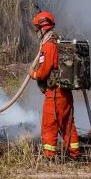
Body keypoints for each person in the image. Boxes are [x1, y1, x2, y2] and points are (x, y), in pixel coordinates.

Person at [28, 11, 81, 160]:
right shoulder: (58, 41)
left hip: (55, 94)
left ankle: (50, 157)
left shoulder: (48, 46)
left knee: (49, 125)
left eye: (37, 28)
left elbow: (44, 72)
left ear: (42, 27)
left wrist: (33, 74)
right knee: (68, 124)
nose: (36, 32)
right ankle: (74, 155)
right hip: (65, 92)